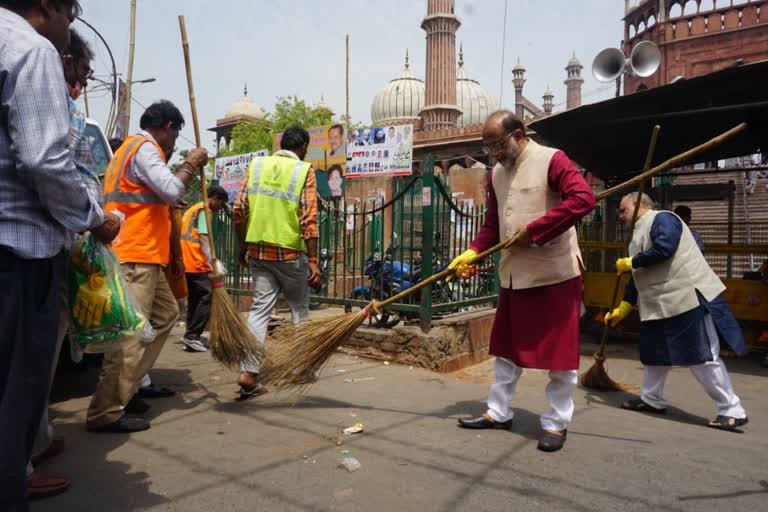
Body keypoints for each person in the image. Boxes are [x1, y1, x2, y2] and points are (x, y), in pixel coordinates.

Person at [0, 1, 122, 507]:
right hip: (19, 257)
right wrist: (94, 218)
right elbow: (46, 162)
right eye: (71, 12)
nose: (69, 24)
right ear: (47, 6)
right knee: (15, 394)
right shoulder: (31, 50)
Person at [449, 111, 595, 452]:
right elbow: (493, 226)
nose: (495, 154)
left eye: (498, 145)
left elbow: (583, 199)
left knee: (560, 357)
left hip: (554, 272)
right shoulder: (496, 174)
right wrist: (472, 252)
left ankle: (556, 423)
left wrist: (537, 231)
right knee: (505, 351)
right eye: (489, 149)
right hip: (515, 275)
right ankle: (498, 411)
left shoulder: (552, 160)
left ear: (518, 134)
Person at [86, 100, 209, 433]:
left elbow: (158, 195)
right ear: (168, 127)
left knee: (166, 316)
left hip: (144, 255)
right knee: (129, 337)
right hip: (135, 254)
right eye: (175, 134)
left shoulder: (130, 149)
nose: (174, 143)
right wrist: (191, 162)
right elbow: (170, 187)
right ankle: (105, 411)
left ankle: (127, 389)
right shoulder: (145, 148)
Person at [605, 192, 749, 432]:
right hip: (659, 303)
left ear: (639, 204)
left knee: (702, 354)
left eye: (623, 210)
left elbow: (665, 249)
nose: (620, 216)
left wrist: (632, 262)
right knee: (654, 353)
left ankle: (732, 409)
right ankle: (652, 399)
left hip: (687, 296)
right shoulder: (635, 236)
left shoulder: (663, 219)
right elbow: (636, 276)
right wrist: (625, 306)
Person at [233, 126, 322, 398]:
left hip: (259, 253)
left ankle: (248, 372)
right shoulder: (303, 171)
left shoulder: (256, 165)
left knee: (259, 311)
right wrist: (314, 260)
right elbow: (309, 220)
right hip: (291, 256)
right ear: (303, 147)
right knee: (299, 309)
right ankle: (302, 368)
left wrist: (243, 245)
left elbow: (239, 211)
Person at [179, 185, 229, 352]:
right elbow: (203, 236)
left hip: (186, 259)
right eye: (220, 204)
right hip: (195, 260)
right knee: (206, 296)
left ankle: (190, 336)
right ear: (214, 199)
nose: (219, 209)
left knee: (195, 298)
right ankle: (192, 335)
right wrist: (213, 260)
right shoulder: (204, 210)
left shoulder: (193, 208)